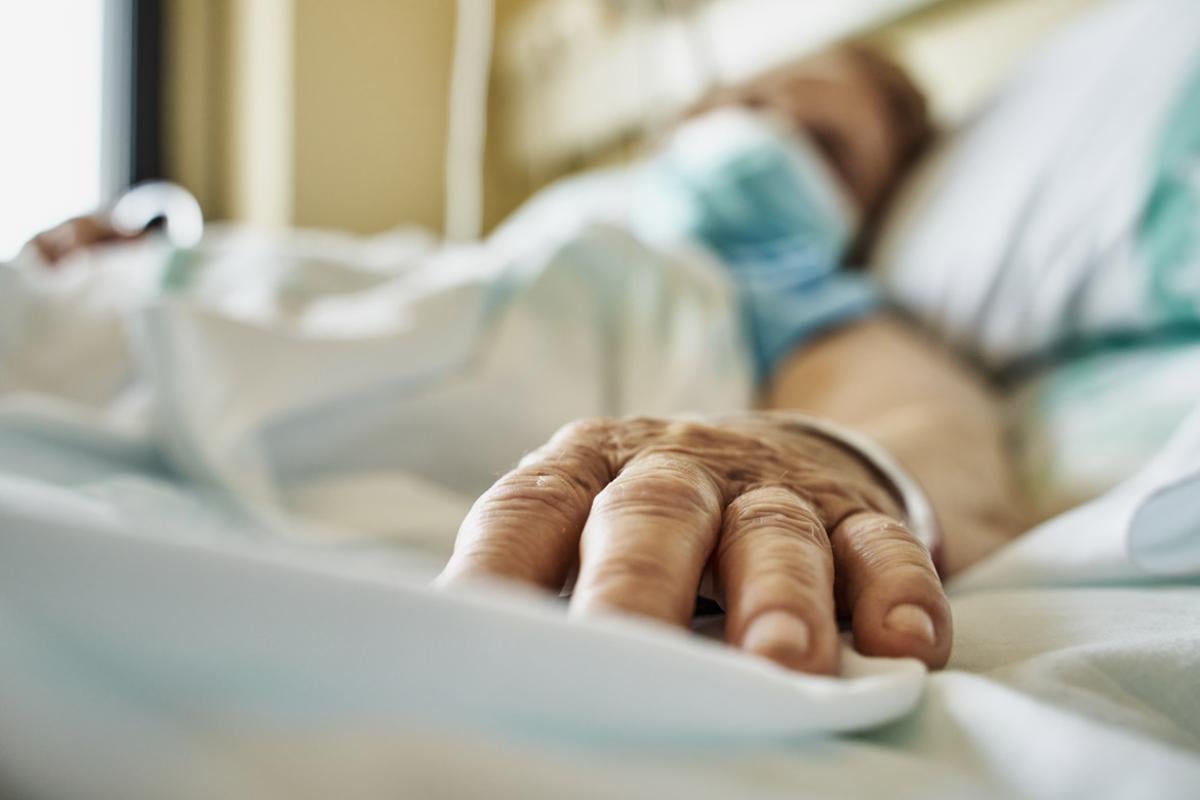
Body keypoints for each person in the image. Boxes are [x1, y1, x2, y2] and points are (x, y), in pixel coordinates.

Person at [24, 45, 1029, 676]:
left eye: (821, 143)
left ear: (864, 217)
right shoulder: (537, 235)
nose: (759, 132)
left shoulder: (780, 290)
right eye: (749, 99)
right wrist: (165, 259)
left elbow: (927, 429)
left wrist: (810, 461)